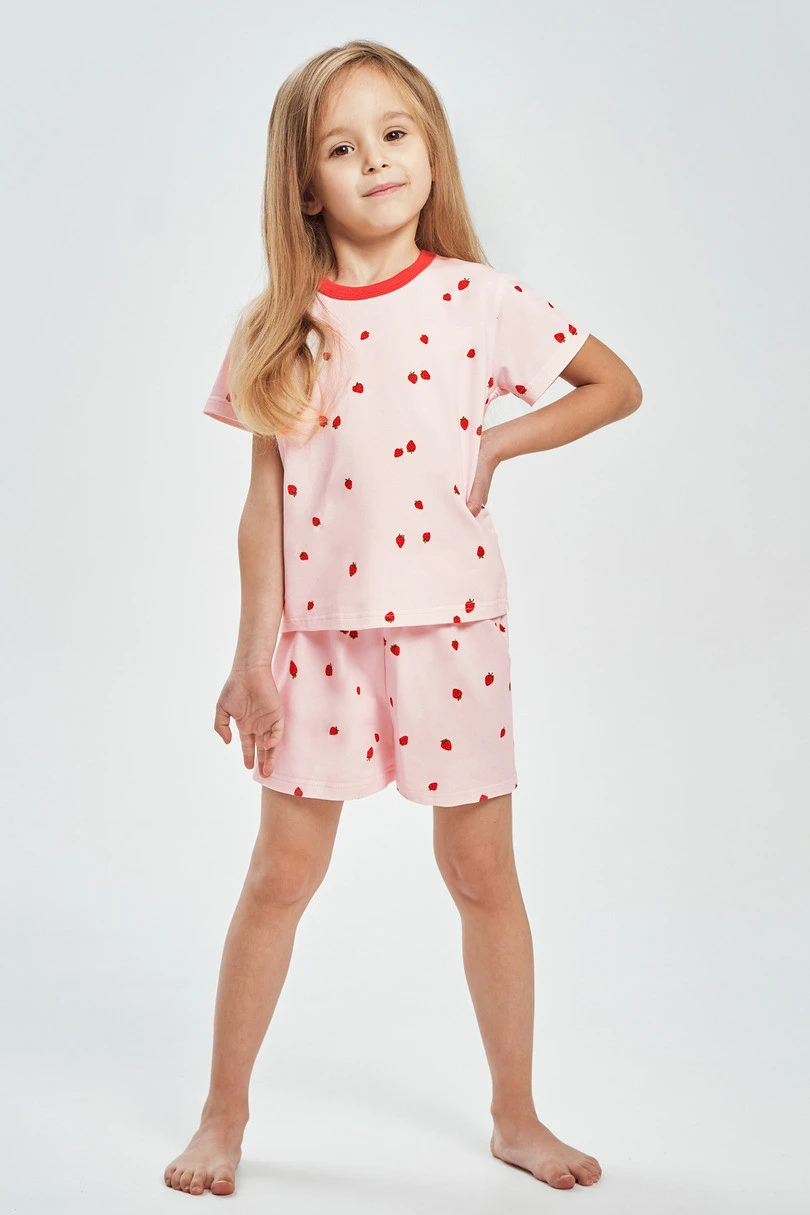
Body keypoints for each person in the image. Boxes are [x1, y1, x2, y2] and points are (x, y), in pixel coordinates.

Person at [165, 39, 641, 1199]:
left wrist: (497, 443)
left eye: (394, 133)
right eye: (342, 146)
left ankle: (516, 1116)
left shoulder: (482, 300)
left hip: (455, 633)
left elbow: (614, 386)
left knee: (482, 876)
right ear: (304, 184)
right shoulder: (280, 324)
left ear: (430, 151)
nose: (375, 159)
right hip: (319, 647)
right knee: (281, 876)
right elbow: (266, 508)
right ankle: (223, 1115)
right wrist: (250, 659)